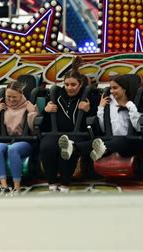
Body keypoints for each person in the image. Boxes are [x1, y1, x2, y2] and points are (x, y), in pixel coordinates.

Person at [40, 56, 97, 193]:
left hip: (79, 134)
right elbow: (44, 123)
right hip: (56, 132)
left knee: (67, 147)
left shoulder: (89, 96)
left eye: (73, 85)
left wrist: (89, 111)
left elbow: (96, 122)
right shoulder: (56, 96)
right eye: (66, 85)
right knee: (47, 146)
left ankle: (65, 184)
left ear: (80, 84)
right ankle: (52, 183)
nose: (69, 88)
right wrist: (46, 111)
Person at [0, 81, 38, 195]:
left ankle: (17, 187)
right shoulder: (3, 107)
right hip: (7, 140)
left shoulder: (28, 106)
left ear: (21, 95)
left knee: (13, 149)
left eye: (14, 97)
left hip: (24, 141)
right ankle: (4, 185)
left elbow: (34, 130)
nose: (11, 100)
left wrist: (32, 113)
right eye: (8, 97)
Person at [90, 75, 142, 161]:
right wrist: (101, 108)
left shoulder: (134, 101)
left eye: (115, 88)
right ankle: (73, 147)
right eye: (111, 88)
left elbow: (138, 127)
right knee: (94, 141)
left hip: (130, 141)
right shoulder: (108, 103)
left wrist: (129, 106)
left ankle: (104, 149)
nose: (112, 91)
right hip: (111, 139)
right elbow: (103, 129)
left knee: (120, 140)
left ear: (124, 89)